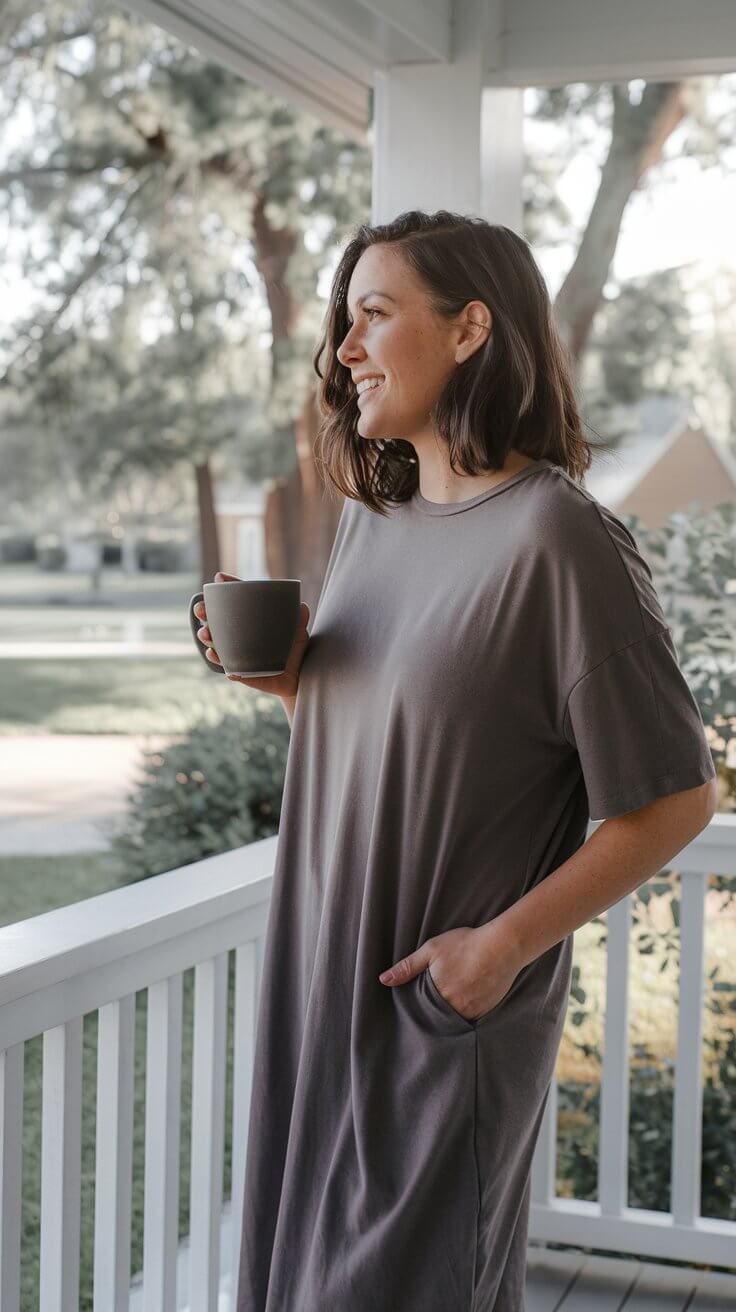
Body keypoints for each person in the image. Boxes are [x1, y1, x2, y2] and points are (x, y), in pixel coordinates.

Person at [193, 209, 717, 1311]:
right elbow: (402, 752)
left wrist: (502, 947)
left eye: (375, 315)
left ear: (471, 328)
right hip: (321, 985)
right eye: (345, 321)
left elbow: (675, 796)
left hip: (437, 1010)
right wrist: (291, 687)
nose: (346, 349)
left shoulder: (560, 540)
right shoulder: (372, 523)